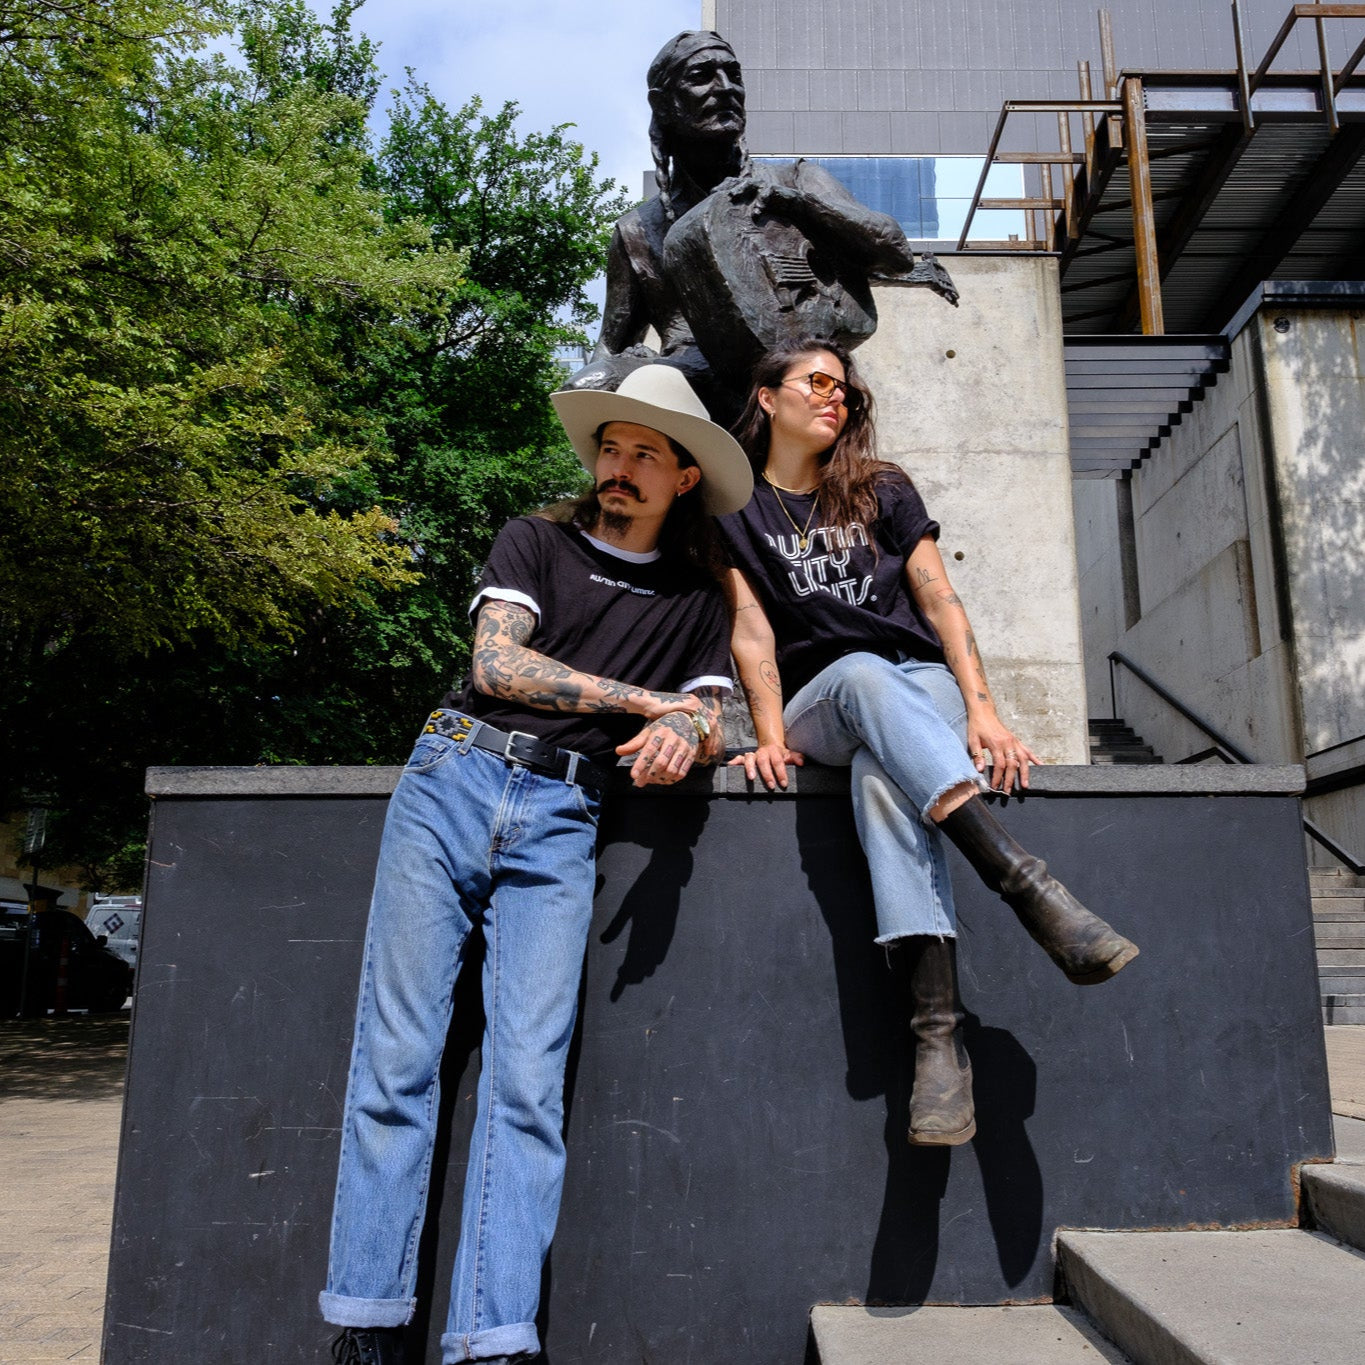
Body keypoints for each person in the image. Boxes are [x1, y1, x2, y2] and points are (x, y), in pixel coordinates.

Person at [320, 365, 752, 1365]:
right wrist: (653, 706)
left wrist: (693, 725)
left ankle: (492, 1336)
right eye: (612, 445)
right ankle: (367, 1325)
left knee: (526, 1084)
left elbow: (714, 715)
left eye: (648, 453)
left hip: (565, 815)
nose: (622, 466)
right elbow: (497, 667)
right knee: (396, 1065)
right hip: (452, 780)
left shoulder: (693, 599)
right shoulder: (537, 541)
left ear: (686, 478)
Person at [719, 335, 1138, 1148]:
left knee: (884, 776)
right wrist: (769, 736)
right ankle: (1023, 884)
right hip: (825, 699)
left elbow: (939, 602)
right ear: (767, 397)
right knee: (861, 671)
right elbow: (750, 631)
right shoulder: (735, 510)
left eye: (844, 388)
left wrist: (983, 712)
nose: (835, 397)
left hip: (922, 691)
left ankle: (937, 1043)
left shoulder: (880, 488)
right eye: (815, 382)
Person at [564, 30, 943, 419]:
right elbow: (610, 347)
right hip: (689, 384)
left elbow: (895, 254)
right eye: (702, 76)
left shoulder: (797, 180)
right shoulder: (636, 231)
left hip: (799, 373)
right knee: (583, 388)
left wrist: (797, 204)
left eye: (734, 75)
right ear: (663, 105)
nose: (726, 88)